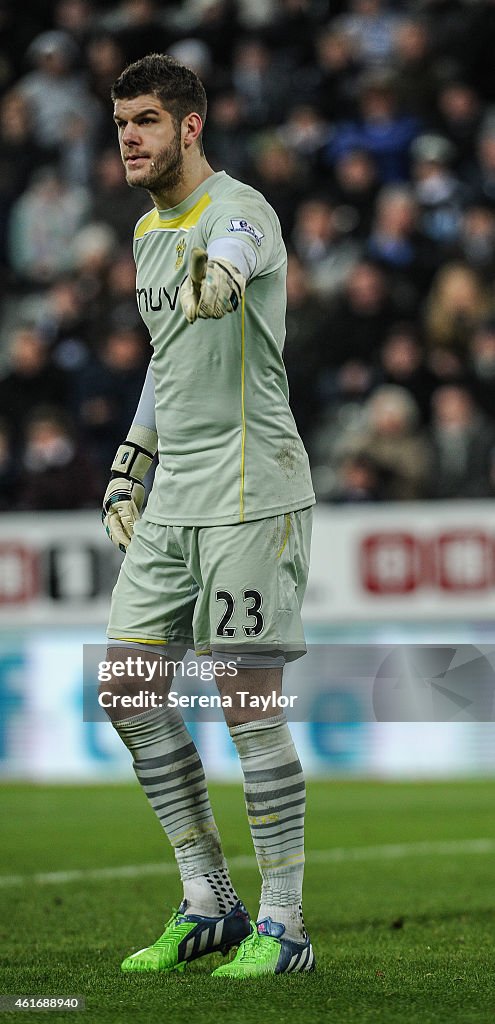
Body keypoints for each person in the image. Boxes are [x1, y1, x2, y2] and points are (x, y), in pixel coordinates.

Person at [101, 53, 315, 979]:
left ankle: (286, 926)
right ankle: (207, 900)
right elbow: (164, 354)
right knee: (128, 691)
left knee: (247, 704)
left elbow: (232, 252)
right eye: (120, 126)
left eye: (146, 121)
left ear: (191, 125)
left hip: (250, 490)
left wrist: (224, 276)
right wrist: (131, 459)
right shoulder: (147, 231)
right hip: (175, 496)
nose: (130, 140)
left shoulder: (240, 208)